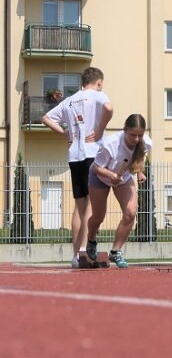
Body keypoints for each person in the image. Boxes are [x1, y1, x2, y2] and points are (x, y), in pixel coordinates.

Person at [42, 67, 113, 268]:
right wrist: (99, 130)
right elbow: (109, 108)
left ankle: (75, 254)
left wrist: (66, 134)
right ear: (98, 82)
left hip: (75, 156)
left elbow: (46, 118)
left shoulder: (70, 100)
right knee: (92, 203)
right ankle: (85, 252)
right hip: (93, 154)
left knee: (80, 206)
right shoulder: (98, 95)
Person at [85, 114, 153, 268]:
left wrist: (139, 172)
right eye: (132, 135)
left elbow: (139, 156)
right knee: (98, 216)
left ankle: (116, 251)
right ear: (125, 130)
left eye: (140, 135)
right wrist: (111, 176)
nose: (136, 139)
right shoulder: (110, 144)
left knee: (131, 212)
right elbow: (97, 167)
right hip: (100, 177)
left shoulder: (146, 142)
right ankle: (91, 239)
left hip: (124, 178)